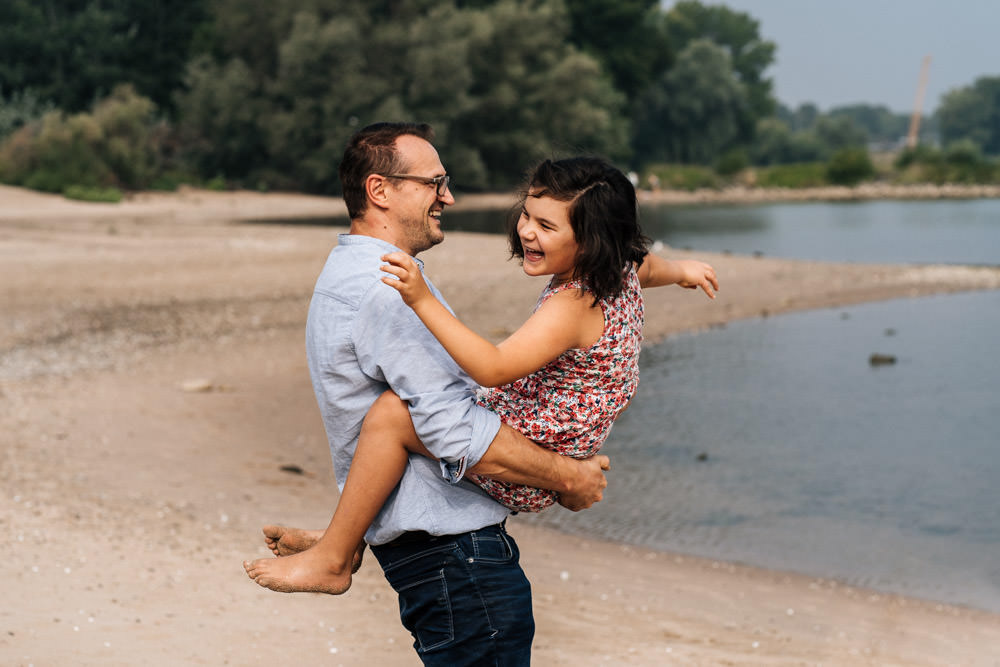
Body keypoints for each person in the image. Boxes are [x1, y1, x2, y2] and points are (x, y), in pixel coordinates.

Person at [244, 155, 719, 630]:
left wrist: (422, 300)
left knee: (395, 415)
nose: (528, 231)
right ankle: (340, 540)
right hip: (560, 431)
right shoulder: (620, 270)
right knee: (428, 412)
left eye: (547, 226)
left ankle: (335, 554)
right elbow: (648, 265)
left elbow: (492, 368)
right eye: (528, 215)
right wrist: (684, 271)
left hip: (538, 441)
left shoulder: (573, 304)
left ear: (593, 242)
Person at [242, 122, 615, 666]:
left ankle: (337, 547)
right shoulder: (385, 288)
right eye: (435, 183)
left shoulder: (347, 273)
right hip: (457, 559)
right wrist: (568, 477)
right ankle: (335, 554)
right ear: (380, 191)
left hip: (434, 559)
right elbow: (450, 428)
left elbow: (381, 426)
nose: (449, 197)